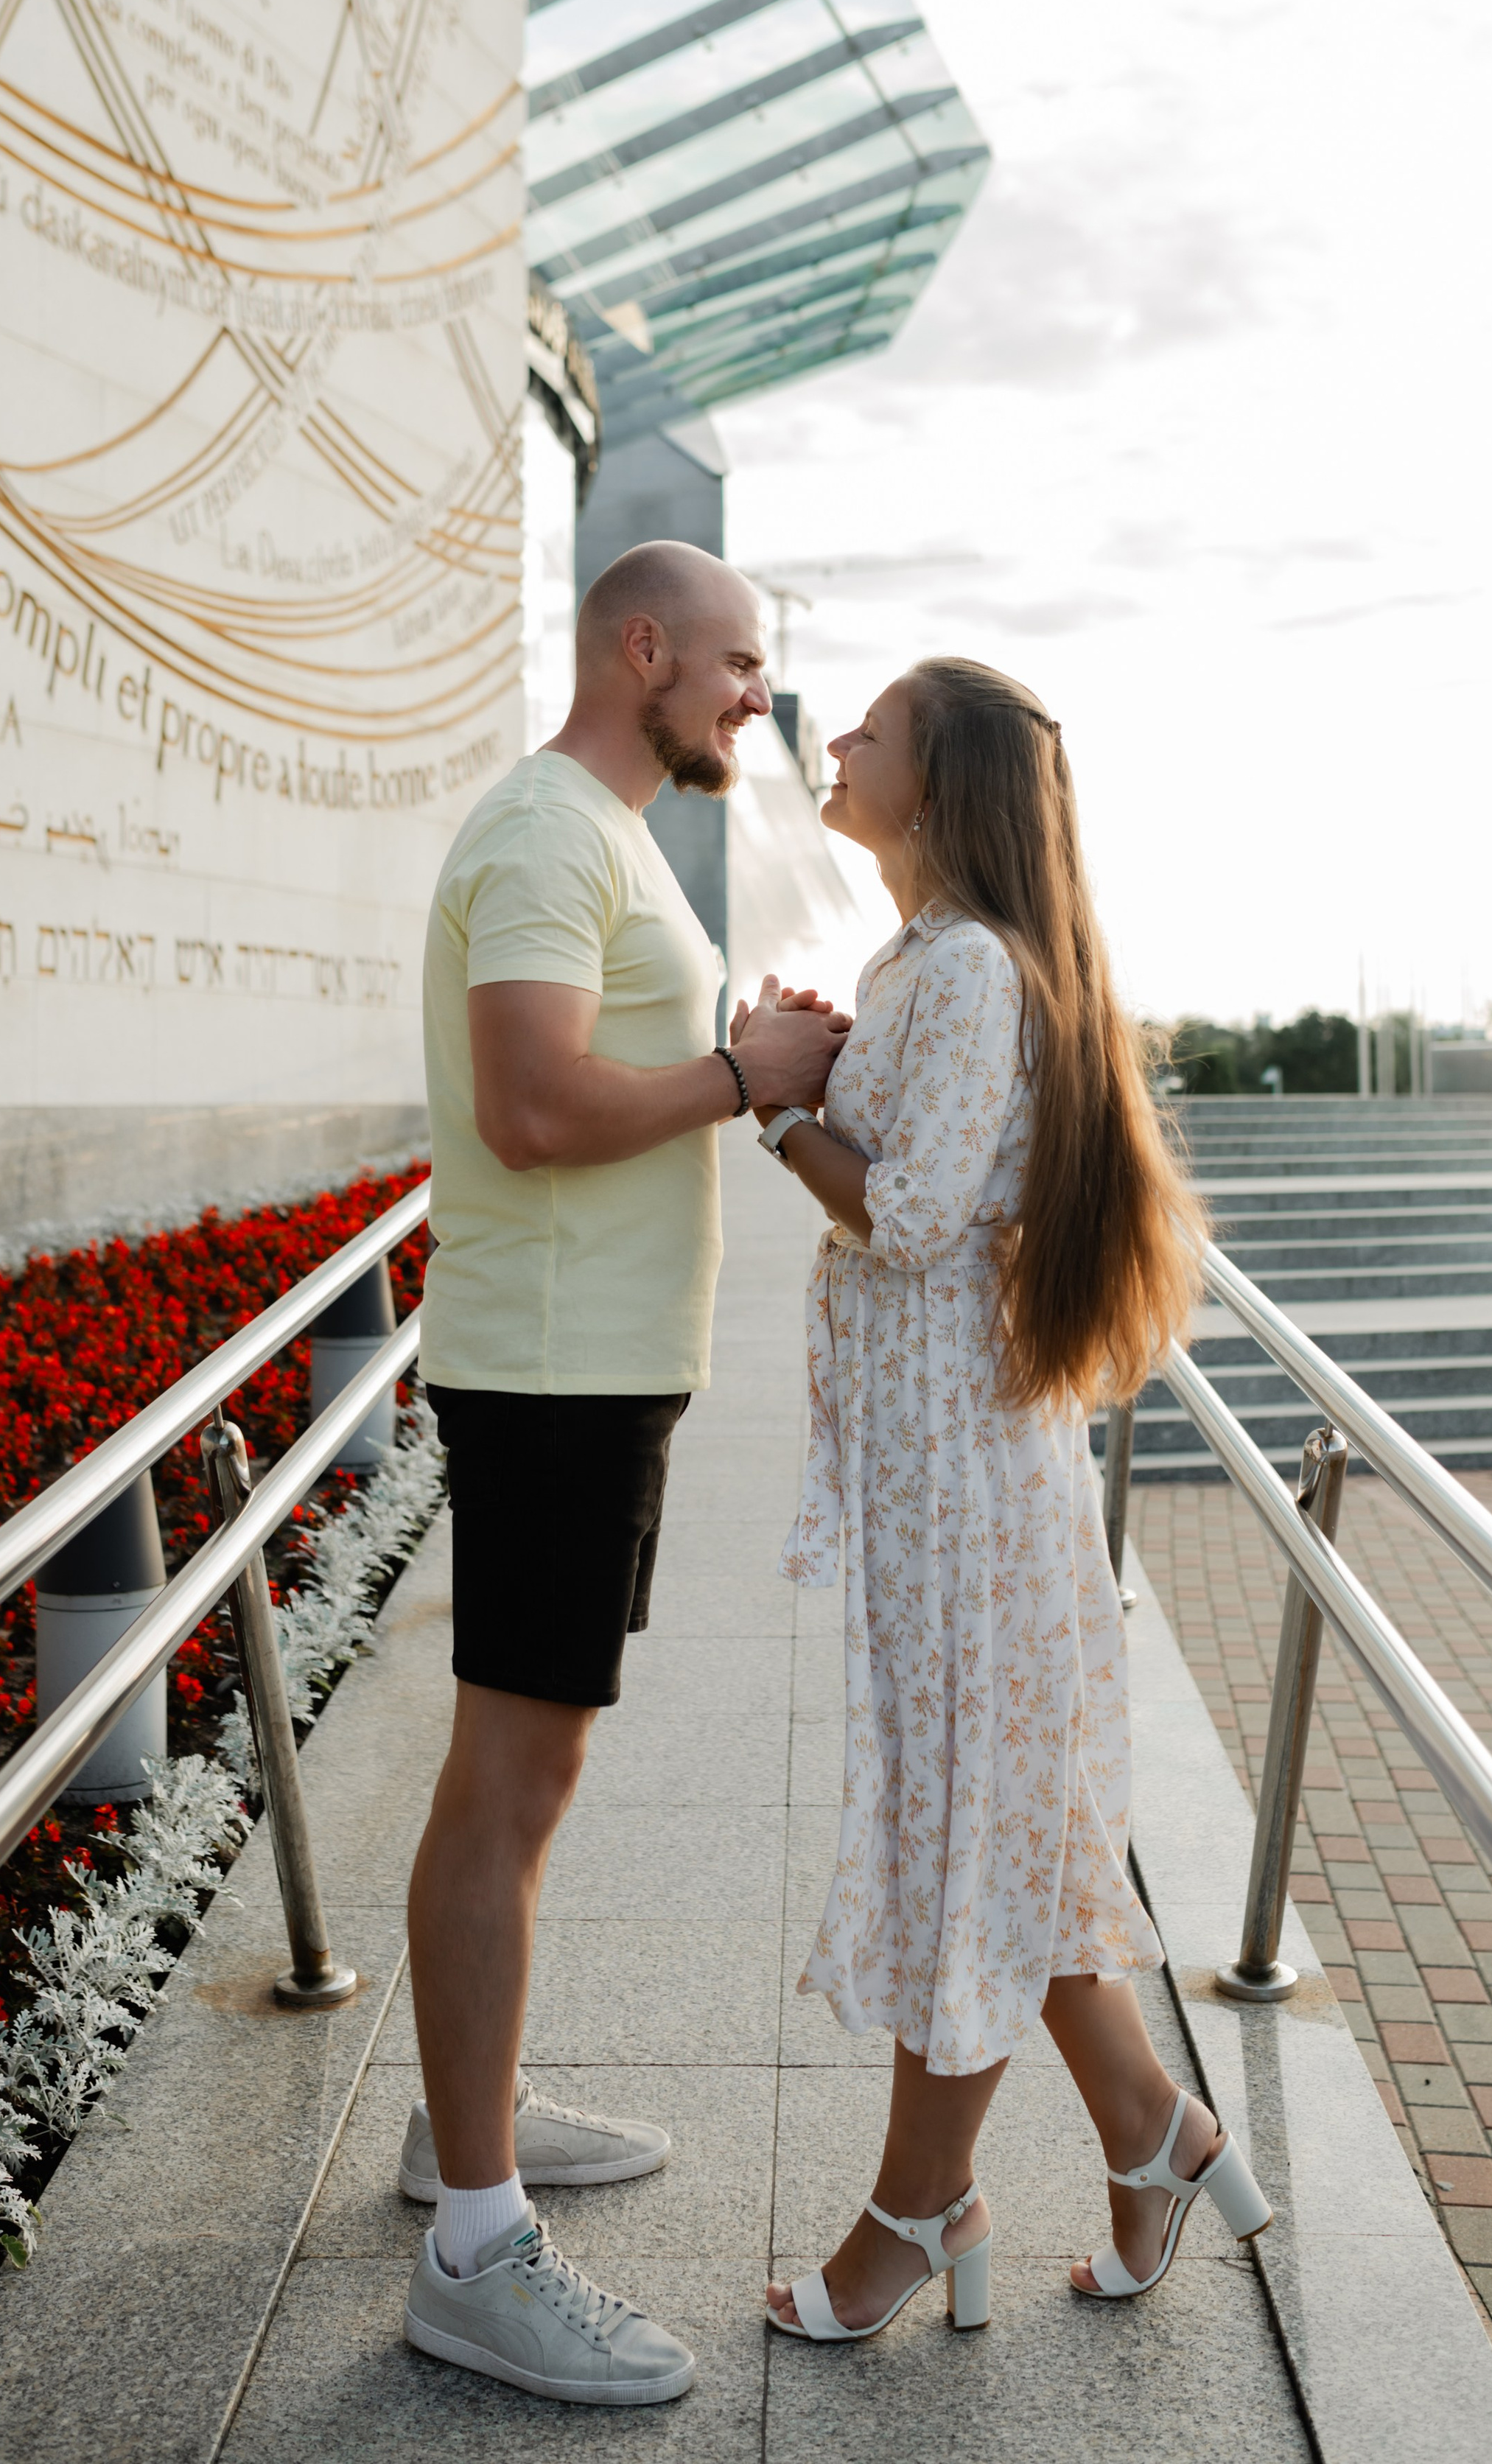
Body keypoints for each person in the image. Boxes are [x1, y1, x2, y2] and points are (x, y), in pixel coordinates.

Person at [742, 655, 1272, 2343]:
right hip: (940, 1482)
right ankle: (1155, 2133)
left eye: (871, 733)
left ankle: (917, 2208)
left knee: (961, 1835)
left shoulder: (969, 969)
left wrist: (771, 1103)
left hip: (963, 1492)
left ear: (941, 787)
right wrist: (814, 1066)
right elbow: (922, 1191)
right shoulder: (917, 960)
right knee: (1005, 1828)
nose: (834, 742)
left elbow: (900, 1218)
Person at [400, 539, 849, 2404]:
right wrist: (742, 1078)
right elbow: (528, 1103)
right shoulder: (544, 835)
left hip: (595, 1374)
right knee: (506, 1780)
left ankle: (458, 2129)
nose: (756, 694)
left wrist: (736, 1052)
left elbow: (594, 1070)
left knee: (534, 1765)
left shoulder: (600, 840)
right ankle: (472, 2245)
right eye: (739, 661)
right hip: (549, 1378)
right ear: (642, 648)